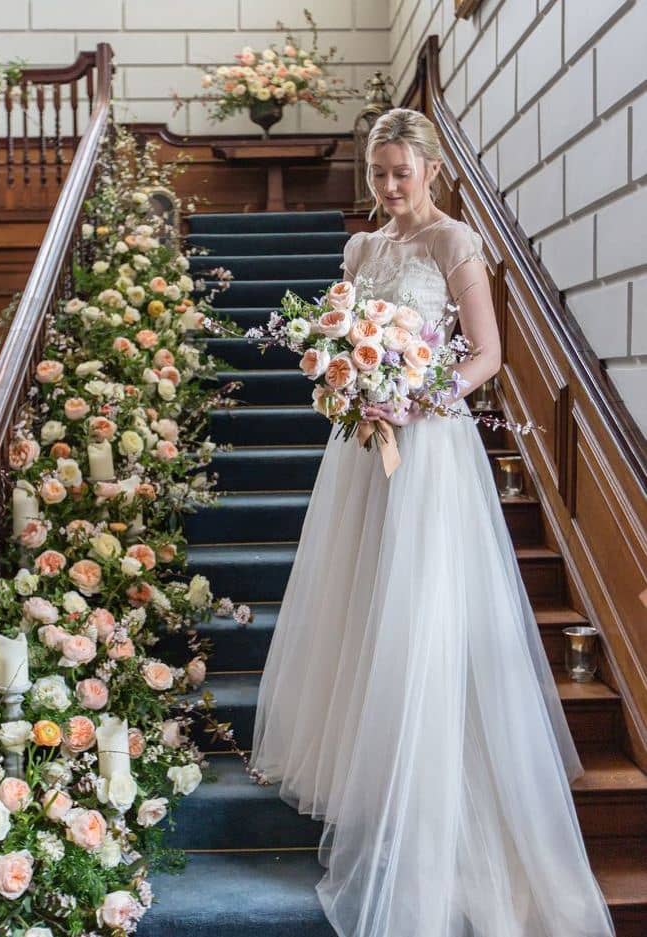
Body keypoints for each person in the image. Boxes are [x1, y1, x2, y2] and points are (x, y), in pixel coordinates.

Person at [248, 107, 616, 937]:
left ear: (429, 169)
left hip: (429, 448)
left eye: (399, 173)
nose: (386, 187)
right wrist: (346, 380)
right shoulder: (360, 247)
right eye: (376, 174)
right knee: (362, 599)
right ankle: (369, 772)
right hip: (362, 449)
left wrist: (419, 400)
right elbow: (342, 332)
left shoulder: (456, 243)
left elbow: (485, 354)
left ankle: (434, 780)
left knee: (423, 612)